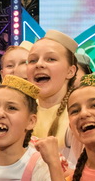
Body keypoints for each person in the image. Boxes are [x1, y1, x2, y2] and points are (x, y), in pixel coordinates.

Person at [27, 31, 80, 159]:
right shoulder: (20, 113)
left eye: (51, 59)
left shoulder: (78, 115)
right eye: (33, 60)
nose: (39, 64)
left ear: (70, 71)